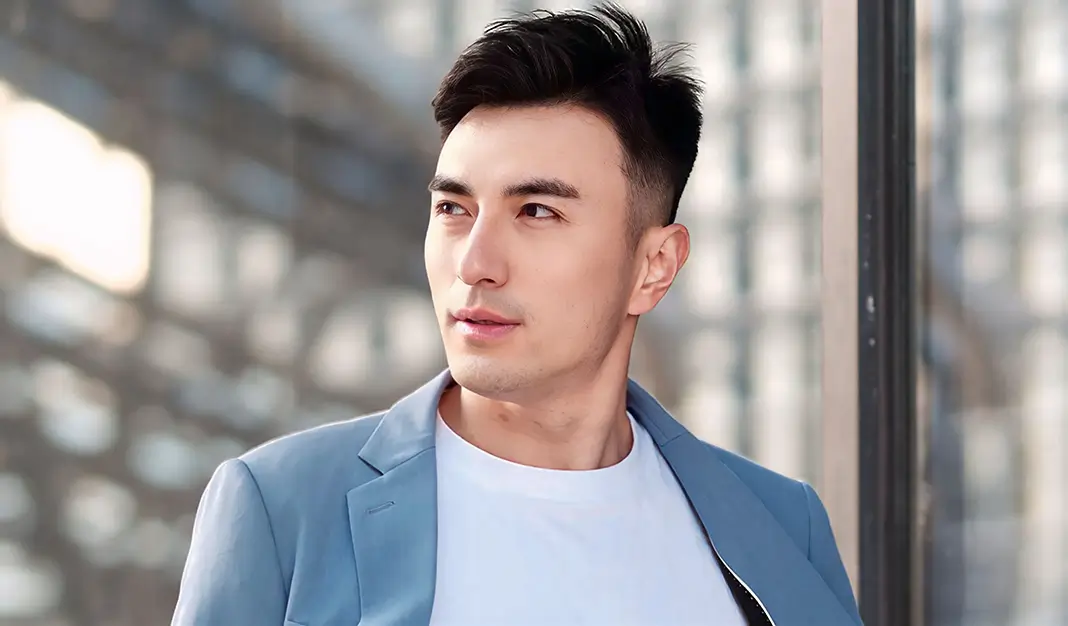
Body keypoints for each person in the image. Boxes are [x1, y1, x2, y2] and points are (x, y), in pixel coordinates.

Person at [172, 4, 862, 625]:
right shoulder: (283, 509)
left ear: (654, 266)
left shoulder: (782, 528)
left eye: (536, 211)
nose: (475, 262)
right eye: (453, 208)